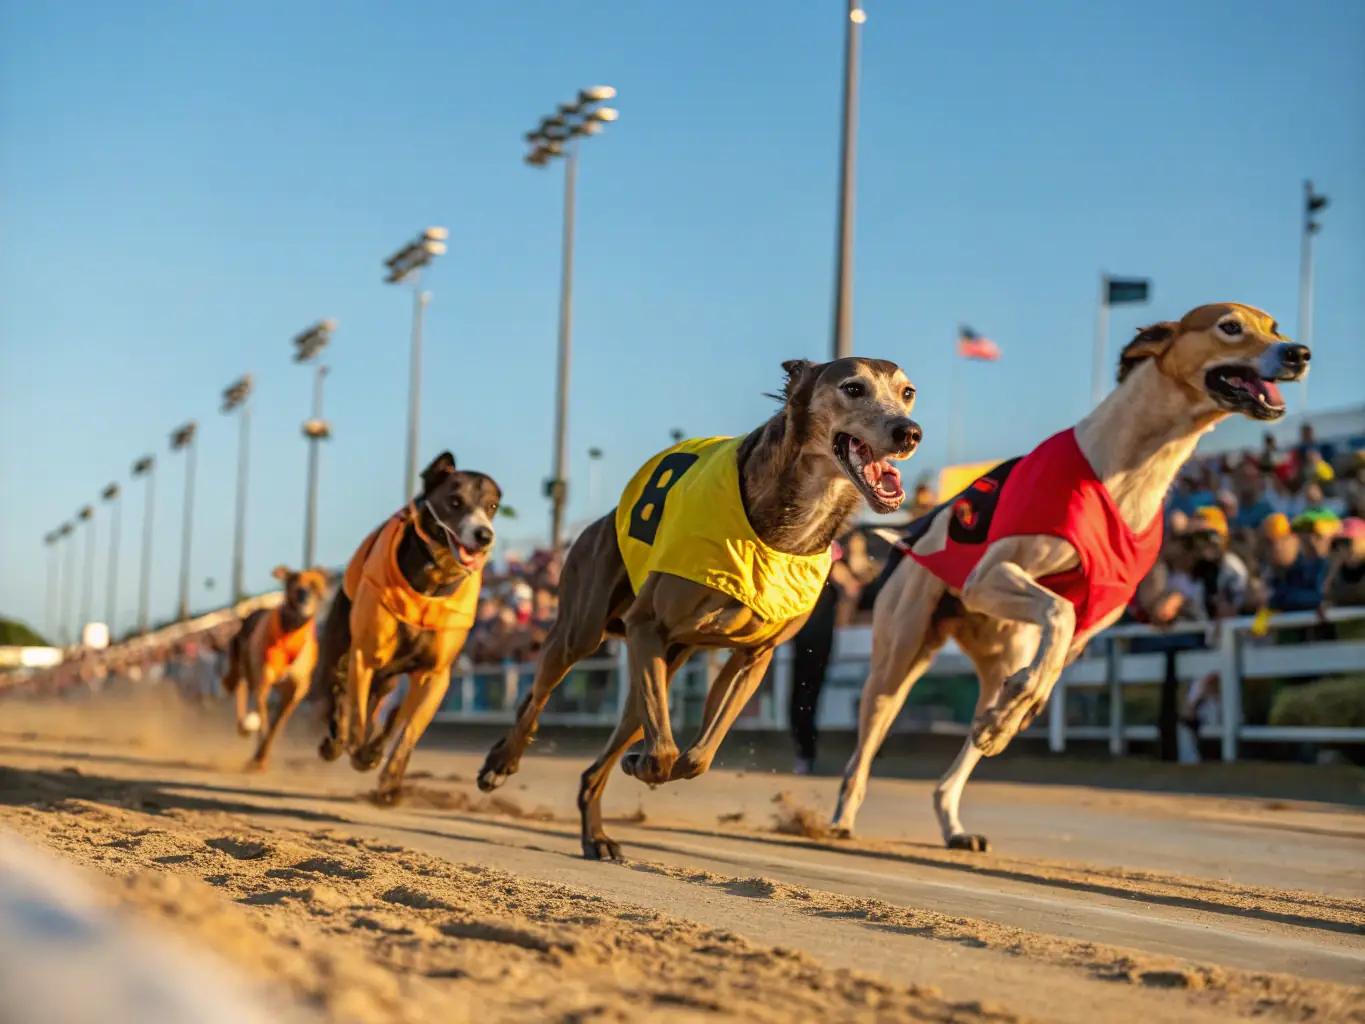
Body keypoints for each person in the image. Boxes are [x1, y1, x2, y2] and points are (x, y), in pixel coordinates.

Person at [788, 538, 861, 775]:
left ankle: (806, 753)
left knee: (805, 696)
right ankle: (804, 752)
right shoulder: (813, 559)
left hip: (815, 638)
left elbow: (852, 589)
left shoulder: (834, 564)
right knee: (802, 697)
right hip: (801, 634)